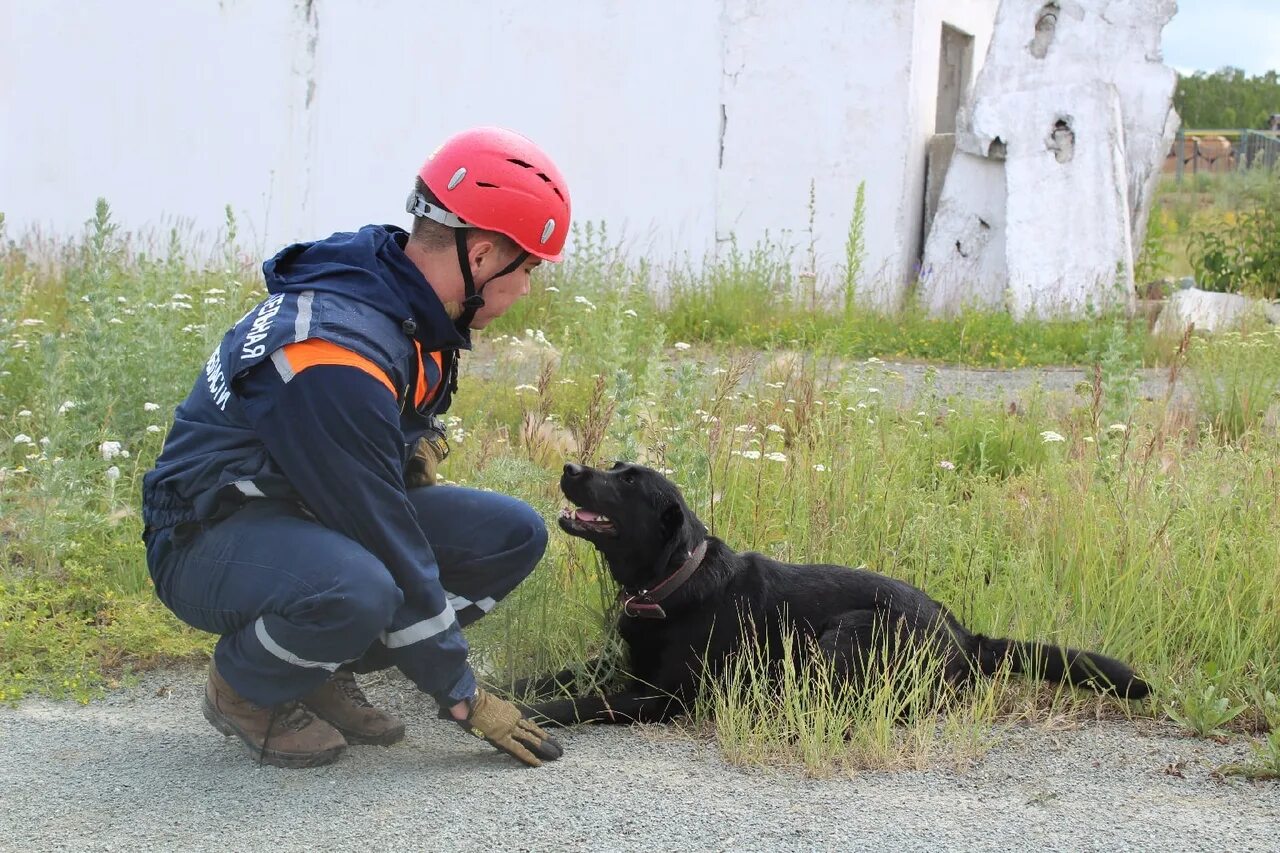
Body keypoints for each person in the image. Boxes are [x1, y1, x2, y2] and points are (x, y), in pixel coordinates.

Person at [141, 127, 569, 769]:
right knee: (364, 584)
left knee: (511, 535)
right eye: (527, 270)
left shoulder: (396, 291)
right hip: (207, 534)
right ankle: (246, 685)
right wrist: (461, 692)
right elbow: (384, 533)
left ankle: (314, 665)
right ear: (480, 257)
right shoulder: (333, 356)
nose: (527, 290)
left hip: (297, 509)